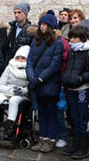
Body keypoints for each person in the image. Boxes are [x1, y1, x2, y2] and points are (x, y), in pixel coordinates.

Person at [26, 12, 65, 153]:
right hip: (36, 82)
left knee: (50, 111)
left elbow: (54, 64)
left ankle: (50, 139)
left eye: (45, 25)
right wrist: (31, 77)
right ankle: (42, 138)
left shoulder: (57, 43)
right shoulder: (35, 41)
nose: (42, 27)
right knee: (40, 112)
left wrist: (40, 78)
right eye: (41, 24)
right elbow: (29, 60)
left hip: (49, 83)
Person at [61, 25, 89, 159]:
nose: (72, 40)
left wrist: (82, 78)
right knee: (74, 118)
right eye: (71, 37)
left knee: (83, 119)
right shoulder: (72, 51)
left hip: (83, 89)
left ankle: (84, 147)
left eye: (75, 37)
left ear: (82, 38)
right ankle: (75, 145)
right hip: (71, 88)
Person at [0, 45, 30, 139]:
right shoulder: (9, 67)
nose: (19, 60)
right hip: (8, 91)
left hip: (21, 94)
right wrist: (11, 91)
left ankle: (9, 127)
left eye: (22, 58)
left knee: (14, 100)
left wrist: (23, 91)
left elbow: (30, 86)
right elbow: (0, 85)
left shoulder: (29, 69)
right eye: (18, 57)